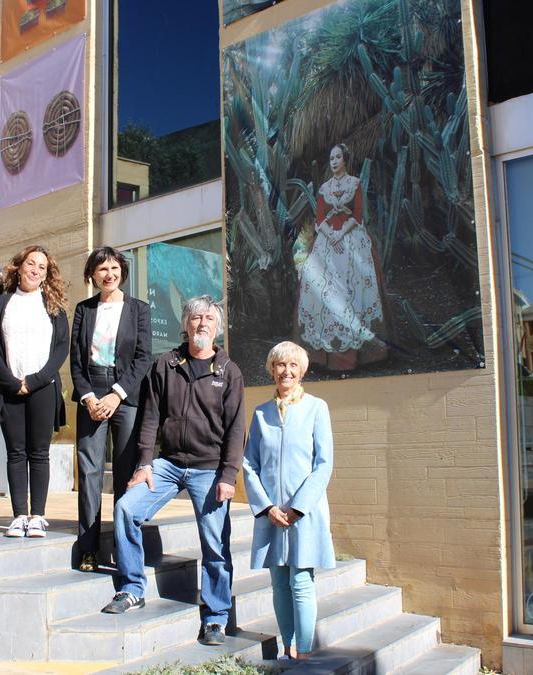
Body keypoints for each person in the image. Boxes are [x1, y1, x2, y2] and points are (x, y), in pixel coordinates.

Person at [101, 295, 246, 649]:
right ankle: (133, 588)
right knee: (126, 508)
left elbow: (235, 429)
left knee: (214, 543)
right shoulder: (165, 364)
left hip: (209, 468)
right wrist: (145, 463)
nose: (201, 323)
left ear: (217, 328)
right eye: (196, 317)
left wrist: (228, 476)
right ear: (186, 323)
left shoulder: (229, 372)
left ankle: (215, 617)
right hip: (168, 464)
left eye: (209, 319)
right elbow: (150, 416)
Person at [242, 341, 335, 661]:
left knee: (300, 581)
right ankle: (287, 647)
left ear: (302, 371)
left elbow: (324, 464)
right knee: (279, 582)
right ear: (272, 369)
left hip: (302, 514)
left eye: (293, 366)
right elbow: (249, 464)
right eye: (280, 365)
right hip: (272, 515)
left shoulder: (316, 408)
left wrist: (296, 508)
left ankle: (305, 653)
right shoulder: (261, 413)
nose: (287, 371)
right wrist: (267, 507)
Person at [70, 247, 152, 572]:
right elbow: (76, 360)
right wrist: (89, 397)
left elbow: (143, 357)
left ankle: (122, 547)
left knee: (124, 471)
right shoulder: (84, 309)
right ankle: (89, 548)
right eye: (102, 269)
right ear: (92, 274)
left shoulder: (138, 310)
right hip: (92, 391)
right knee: (89, 471)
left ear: (122, 272)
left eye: (114, 268)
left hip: (125, 395)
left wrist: (117, 395)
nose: (109, 274)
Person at [0, 245, 70, 539]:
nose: (35, 270)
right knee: (16, 453)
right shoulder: (2, 304)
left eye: (41, 267)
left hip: (43, 388)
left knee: (39, 453)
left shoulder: (53, 307)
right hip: (9, 388)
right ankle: (19, 514)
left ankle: (38, 516)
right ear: (19, 267)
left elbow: (61, 349)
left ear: (47, 275)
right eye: (30, 264)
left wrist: (33, 381)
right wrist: (10, 380)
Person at [296, 143, 385, 372]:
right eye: (331, 157)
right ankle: (323, 354)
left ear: (345, 160)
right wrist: (330, 235)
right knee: (323, 289)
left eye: (337, 157)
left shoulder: (354, 184)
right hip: (327, 241)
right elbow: (319, 219)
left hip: (351, 238)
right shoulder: (324, 188)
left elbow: (357, 215)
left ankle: (353, 355)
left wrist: (340, 234)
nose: (334, 161)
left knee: (350, 290)